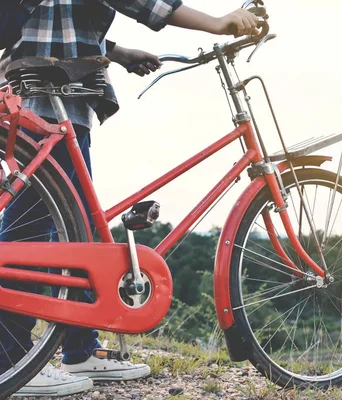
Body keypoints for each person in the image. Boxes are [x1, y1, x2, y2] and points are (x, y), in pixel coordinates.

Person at [0, 0, 259, 397]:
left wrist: (116, 53)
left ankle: (80, 347)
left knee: (81, 231)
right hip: (47, 94)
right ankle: (11, 359)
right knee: (30, 231)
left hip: (59, 92)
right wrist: (216, 23)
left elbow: (61, 14)